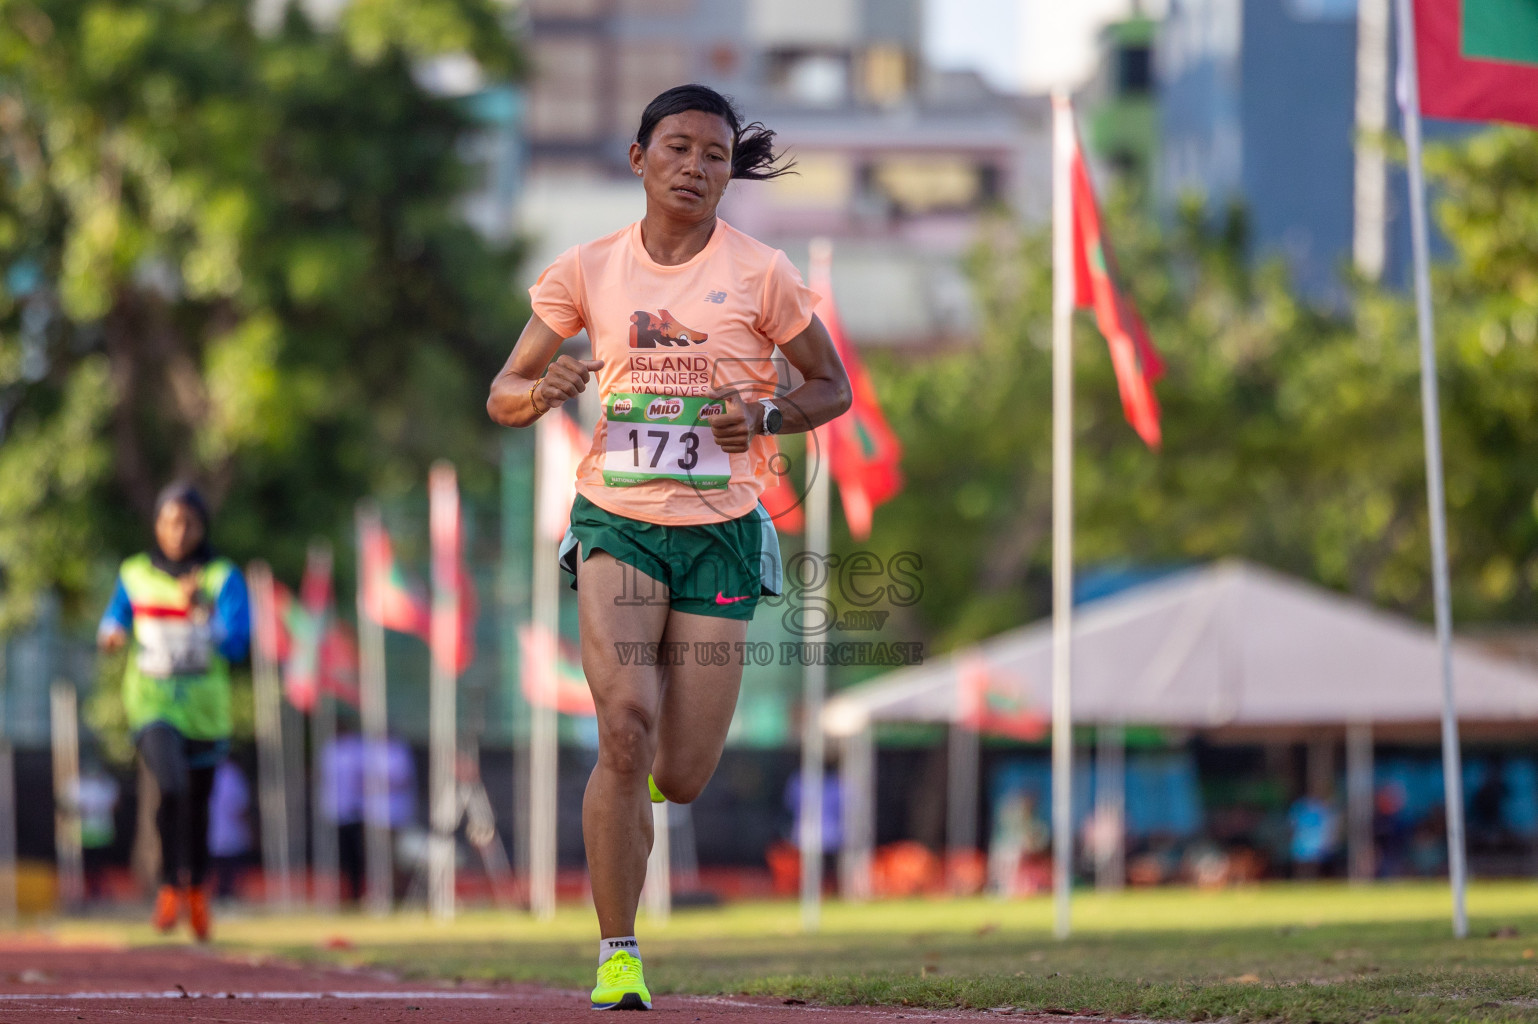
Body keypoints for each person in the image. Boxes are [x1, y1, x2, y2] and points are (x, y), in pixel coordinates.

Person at [488, 83, 851, 1010]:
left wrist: (765, 412)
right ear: (639, 157)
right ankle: (619, 952)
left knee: (679, 775)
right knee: (623, 728)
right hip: (617, 519)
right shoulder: (588, 270)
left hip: (721, 533)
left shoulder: (762, 273)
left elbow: (832, 389)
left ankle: (630, 806)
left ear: (731, 175)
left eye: (716, 155)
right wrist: (544, 390)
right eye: (679, 147)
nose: (696, 166)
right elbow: (503, 391)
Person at [97, 482, 249, 941]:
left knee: (198, 805)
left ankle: (196, 891)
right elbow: (113, 618)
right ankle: (168, 886)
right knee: (171, 786)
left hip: (205, 711)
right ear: (157, 526)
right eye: (168, 522)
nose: (177, 532)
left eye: (187, 523)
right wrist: (110, 634)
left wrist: (201, 608)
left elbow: (239, 642)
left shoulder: (223, 577)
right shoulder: (135, 573)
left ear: (202, 527)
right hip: (152, 704)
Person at [207, 760, 253, 902]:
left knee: (219, 869)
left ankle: (220, 896)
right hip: (228, 832)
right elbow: (241, 806)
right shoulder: (232, 775)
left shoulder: (207, 771)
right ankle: (226, 896)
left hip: (214, 832)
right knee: (229, 870)